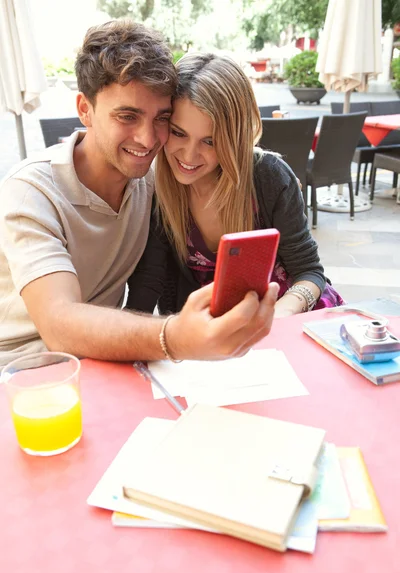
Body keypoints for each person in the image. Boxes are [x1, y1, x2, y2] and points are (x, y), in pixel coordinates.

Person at [0, 22, 279, 367]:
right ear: (85, 109)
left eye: (161, 118)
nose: (148, 140)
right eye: (127, 116)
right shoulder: (32, 192)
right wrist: (174, 337)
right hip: (21, 373)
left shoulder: (154, 183)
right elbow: (59, 325)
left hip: (104, 363)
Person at [127, 53, 344, 317]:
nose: (189, 155)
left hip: (293, 319)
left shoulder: (268, 177)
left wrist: (280, 313)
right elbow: (149, 283)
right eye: (178, 133)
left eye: (210, 141)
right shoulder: (156, 188)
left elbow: (309, 271)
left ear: (235, 139)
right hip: (213, 335)